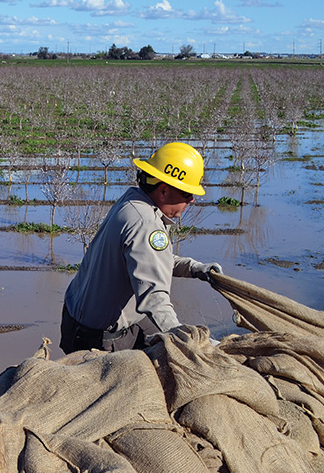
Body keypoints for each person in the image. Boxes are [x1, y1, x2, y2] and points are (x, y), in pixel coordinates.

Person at [60, 141, 223, 355]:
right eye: (186, 194)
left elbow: (147, 260)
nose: (191, 200)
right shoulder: (145, 224)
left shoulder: (132, 201)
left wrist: (194, 268)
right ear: (163, 190)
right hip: (99, 336)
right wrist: (188, 343)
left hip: (77, 318)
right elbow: (154, 298)